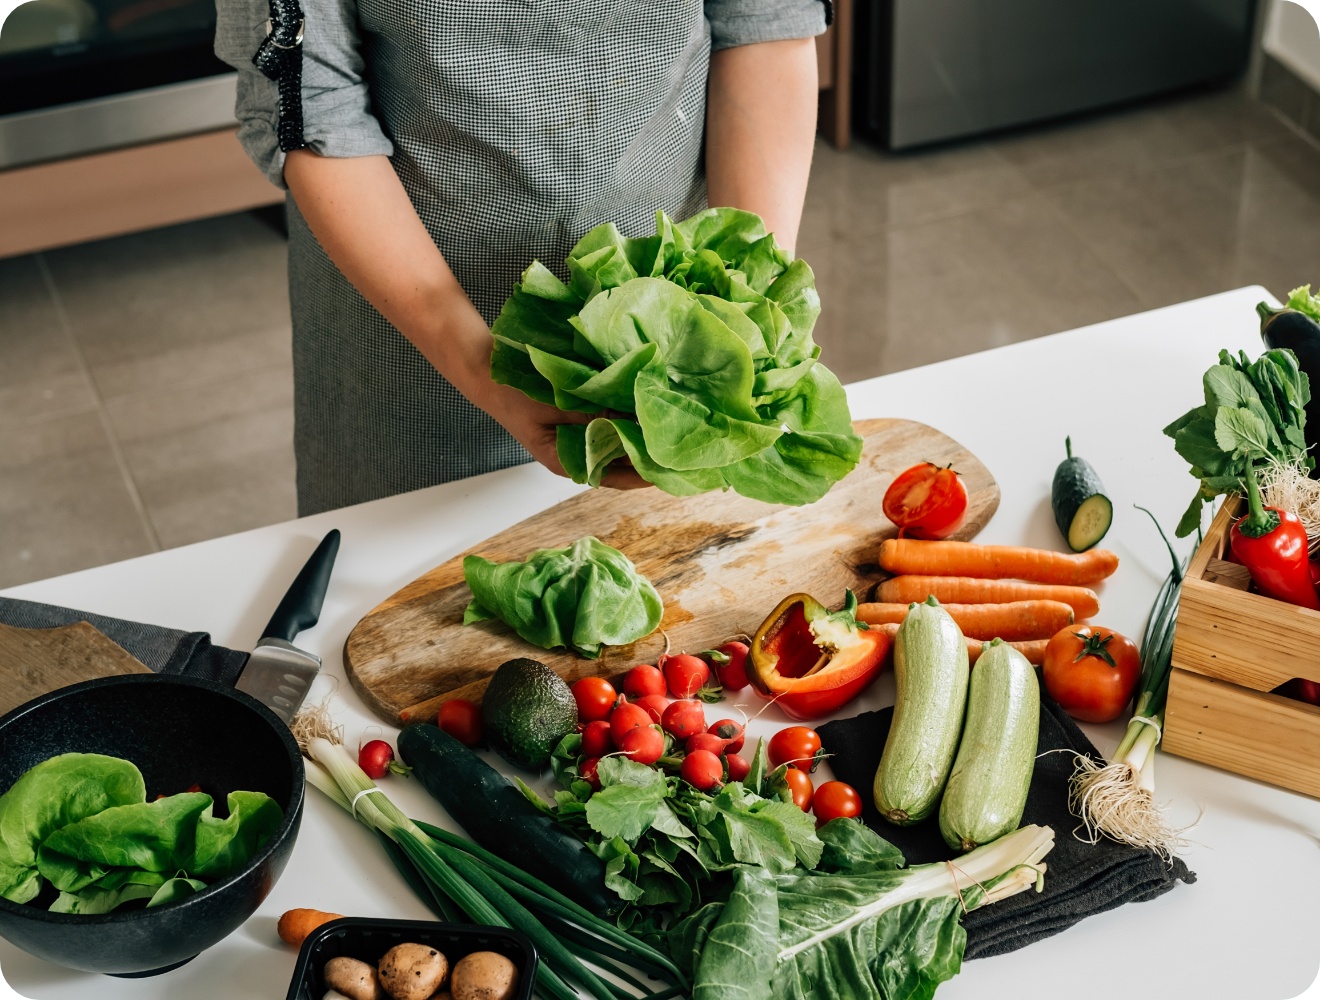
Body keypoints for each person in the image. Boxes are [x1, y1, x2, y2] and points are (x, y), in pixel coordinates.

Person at [215, 0, 826, 516]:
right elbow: (317, 108)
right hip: (413, 347)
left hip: (674, 361)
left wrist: (746, 308)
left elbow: (763, 26)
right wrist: (486, 370)